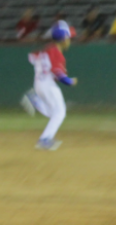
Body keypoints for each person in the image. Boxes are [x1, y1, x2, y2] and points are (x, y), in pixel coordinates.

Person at [21, 20, 77, 151]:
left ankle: (34, 100)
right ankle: (45, 139)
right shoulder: (57, 54)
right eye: (68, 37)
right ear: (63, 39)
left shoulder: (47, 49)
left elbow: (32, 57)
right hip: (48, 85)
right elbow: (60, 76)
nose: (70, 40)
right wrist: (70, 81)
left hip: (39, 83)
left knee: (54, 113)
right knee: (60, 113)